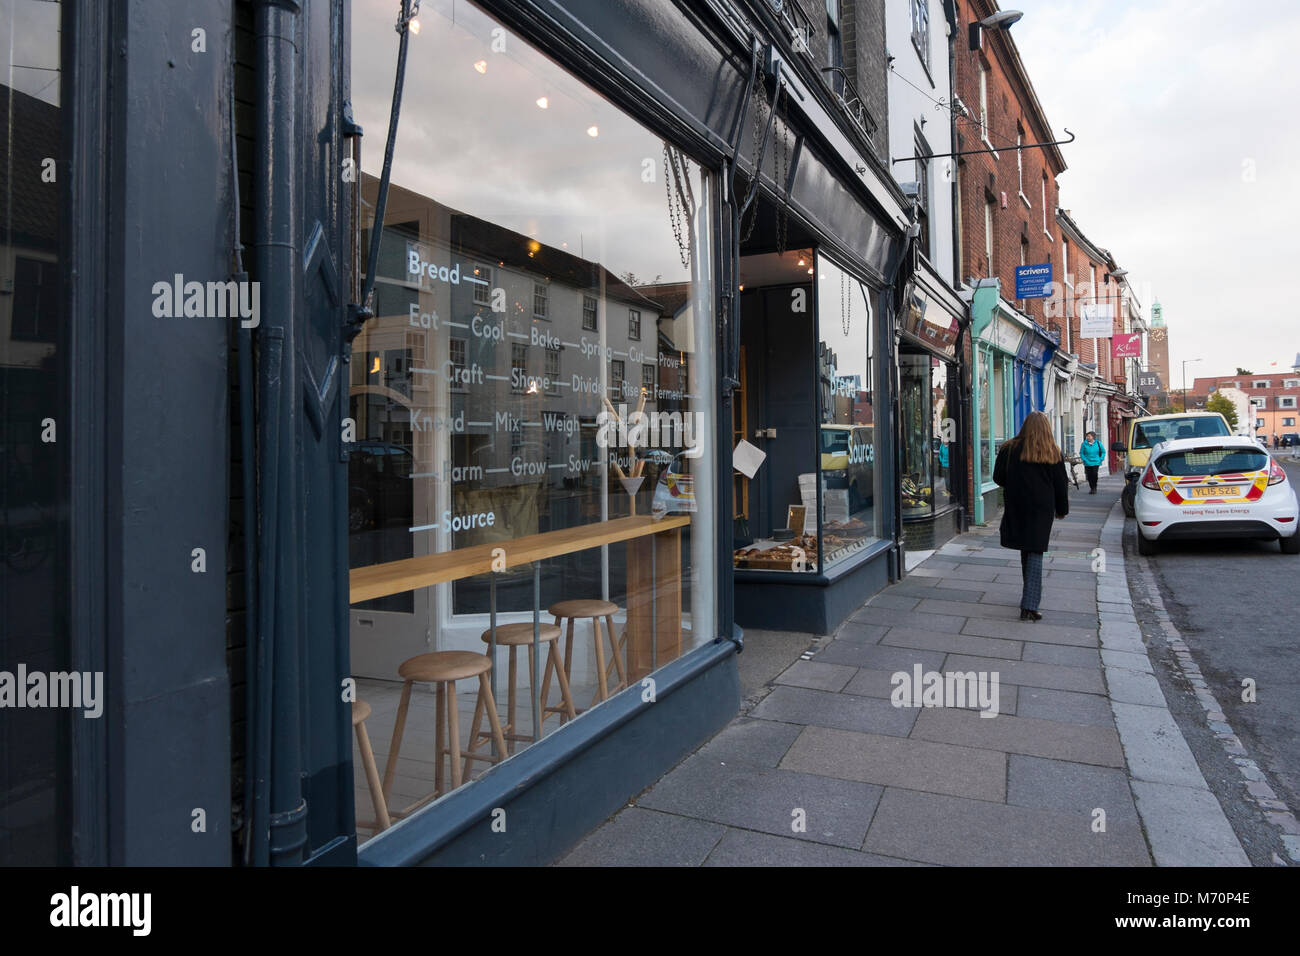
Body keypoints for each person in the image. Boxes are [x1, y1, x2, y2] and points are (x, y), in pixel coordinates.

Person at [994, 411, 1069, 622]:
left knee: (1028, 550)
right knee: (1035, 550)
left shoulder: (1009, 449)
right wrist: (1062, 510)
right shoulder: (1052, 451)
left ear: (1025, 426)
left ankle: (1029, 597)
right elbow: (1060, 485)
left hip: (1017, 505)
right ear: (1046, 427)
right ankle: (1029, 605)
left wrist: (1016, 484)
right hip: (1041, 509)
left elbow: (997, 477)